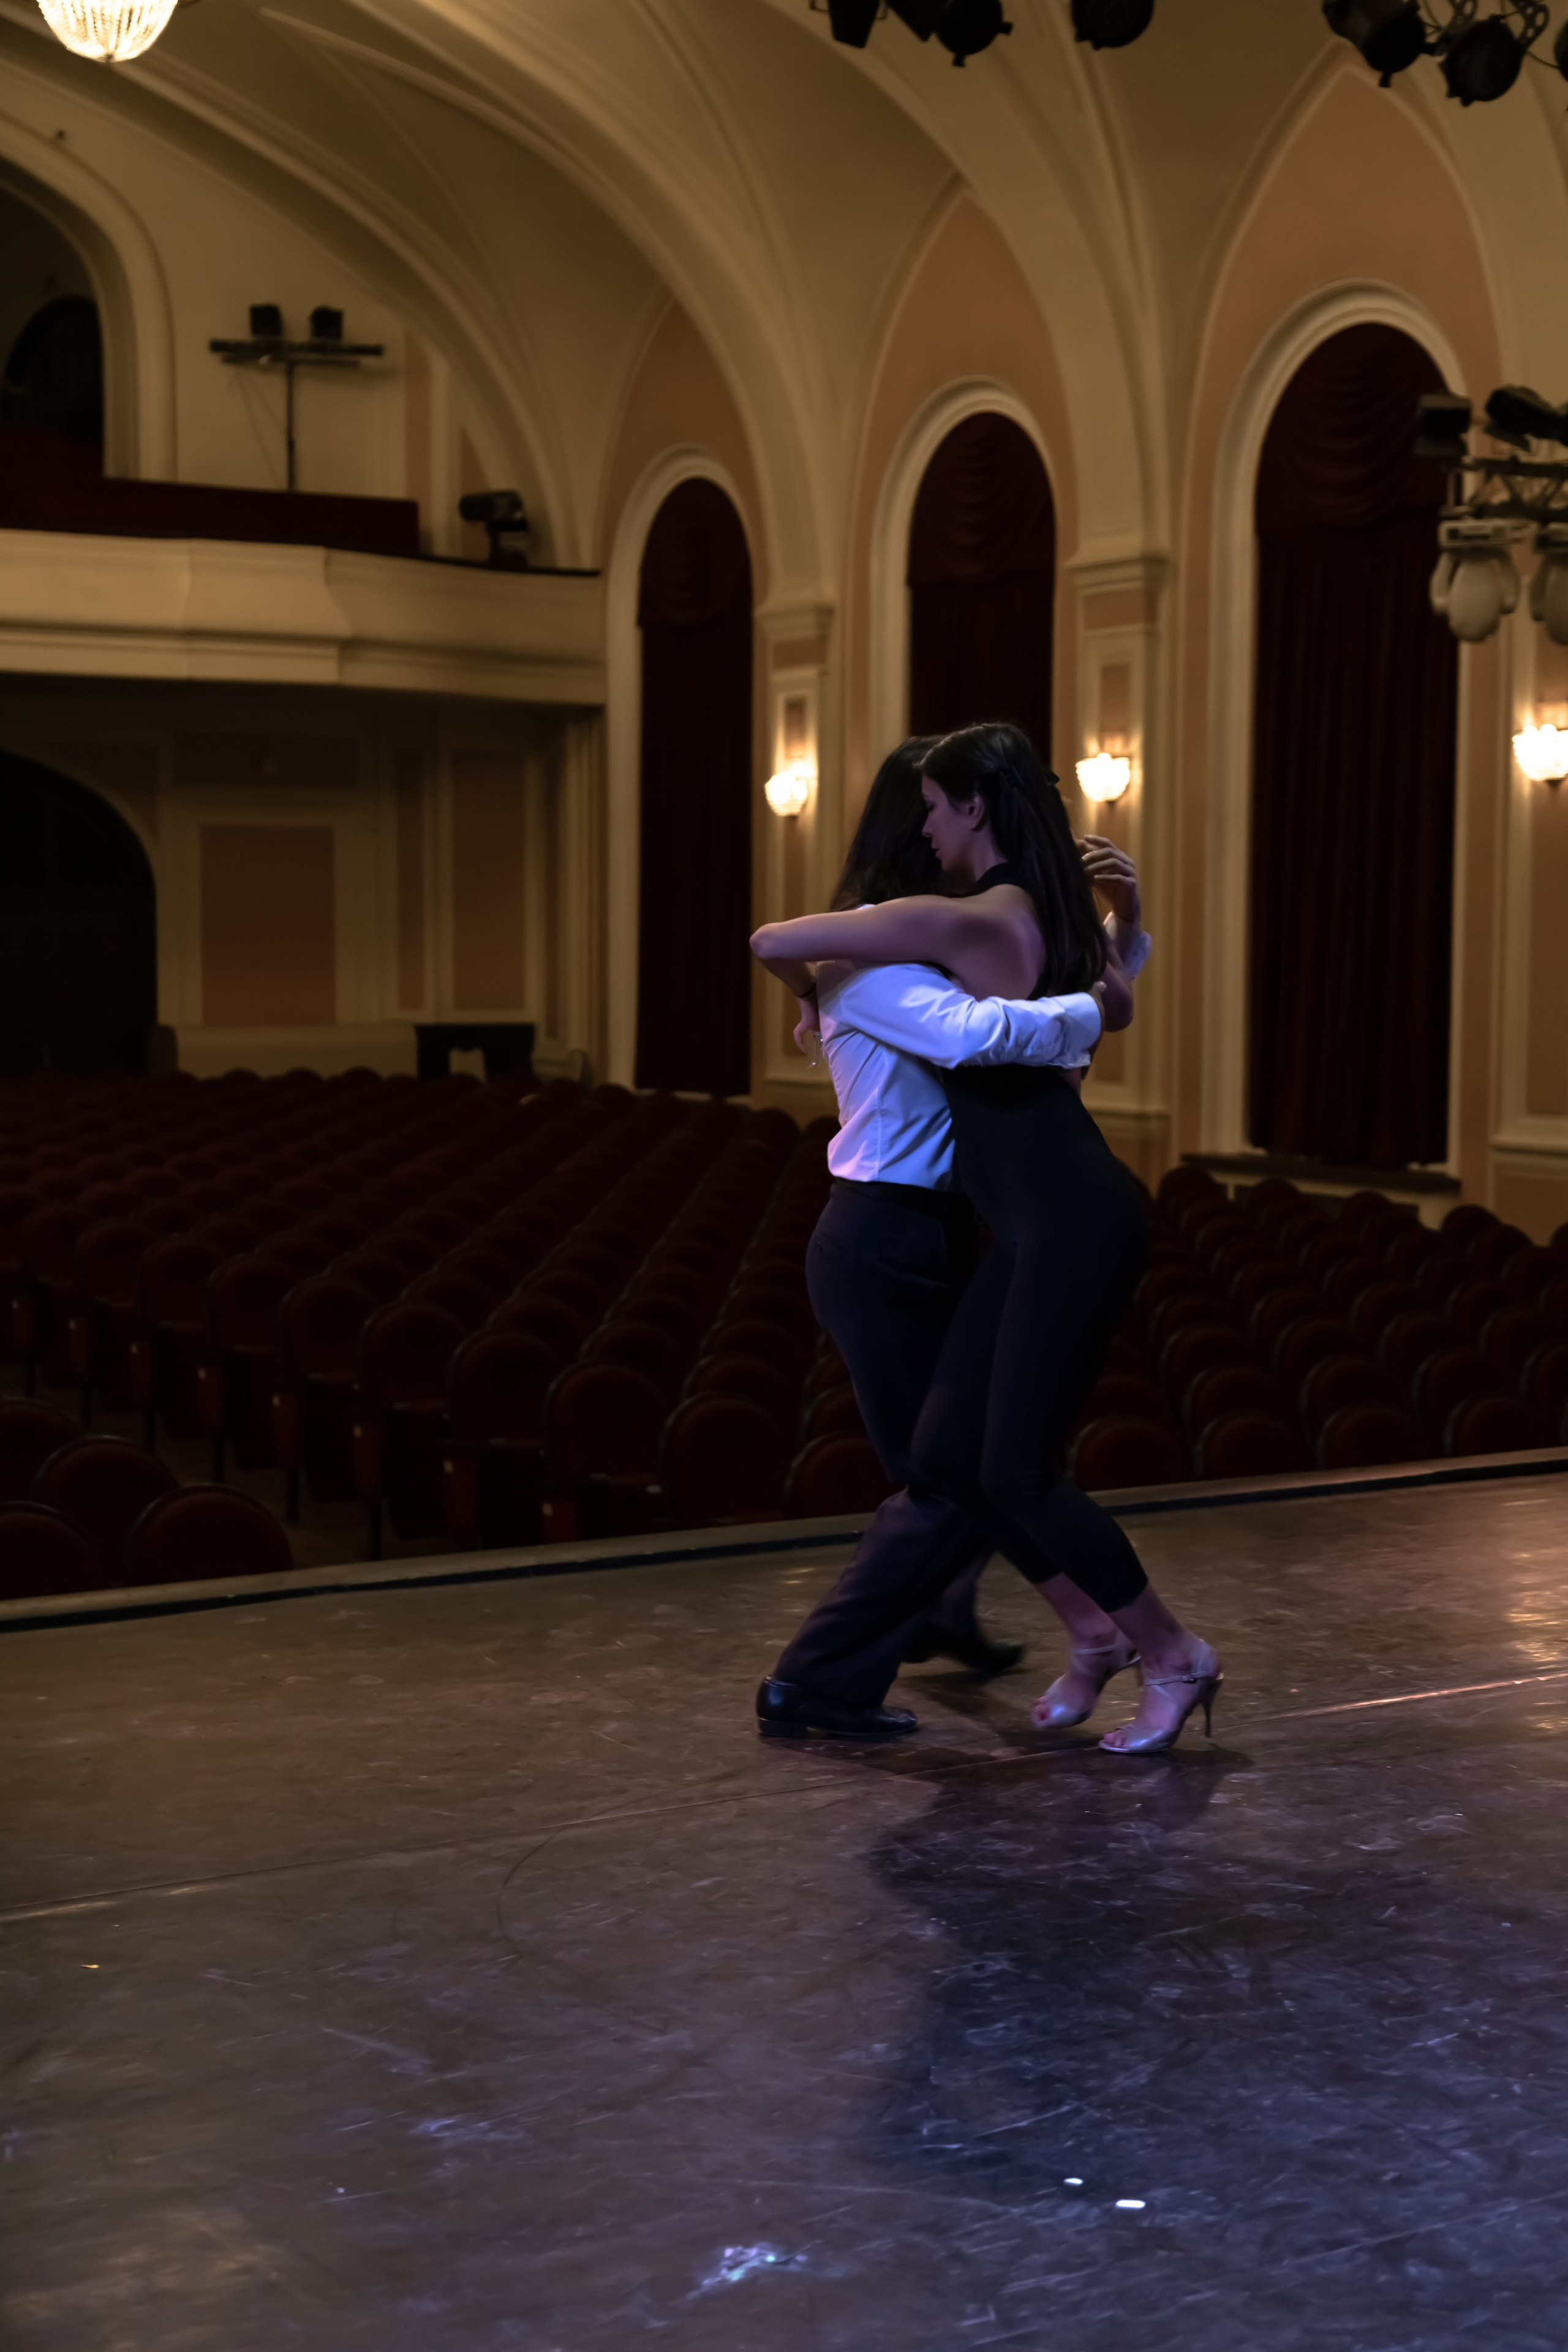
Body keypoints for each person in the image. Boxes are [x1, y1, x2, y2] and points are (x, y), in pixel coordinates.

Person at [750, 722, 1220, 1757]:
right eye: (915, 809)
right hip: (945, 1226)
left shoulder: (960, 941)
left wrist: (1109, 958)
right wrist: (1099, 981)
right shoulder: (914, 954)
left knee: (976, 1470)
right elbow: (1049, 1018)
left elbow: (1034, 1025)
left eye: (938, 801)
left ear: (969, 812)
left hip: (1031, 1217)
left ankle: (1148, 1647)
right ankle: (1102, 1638)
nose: (928, 821)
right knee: (958, 1467)